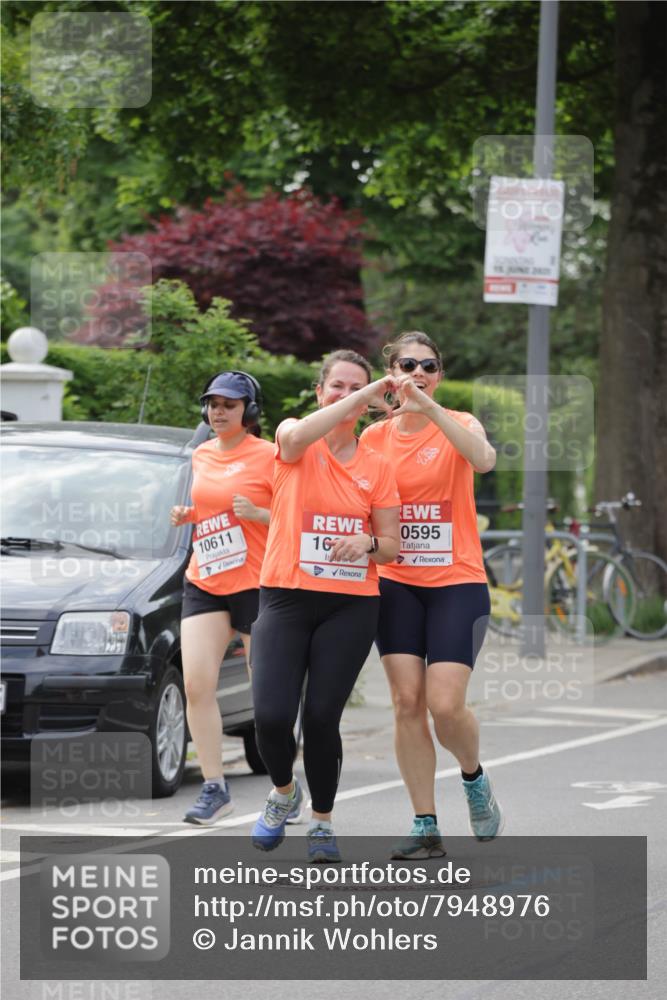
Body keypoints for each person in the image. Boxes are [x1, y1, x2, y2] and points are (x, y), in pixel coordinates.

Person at [250, 350, 401, 861]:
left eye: (355, 388)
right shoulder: (295, 438)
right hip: (286, 598)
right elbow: (292, 439)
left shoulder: (377, 465)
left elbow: (393, 545)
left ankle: (321, 821)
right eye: (336, 386)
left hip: (349, 606)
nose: (344, 395)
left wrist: (367, 545)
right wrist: (362, 394)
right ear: (320, 392)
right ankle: (284, 793)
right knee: (271, 717)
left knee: (320, 717)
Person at [360, 331, 502, 856]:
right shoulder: (374, 440)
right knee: (406, 702)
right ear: (391, 373)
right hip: (396, 584)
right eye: (408, 365)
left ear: (438, 375)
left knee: (445, 704)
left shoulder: (460, 423)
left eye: (429, 365)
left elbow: (483, 460)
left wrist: (430, 410)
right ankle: (425, 823)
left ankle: (473, 777)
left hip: (457, 585)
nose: (419, 372)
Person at [170, 371, 273, 825]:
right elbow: (212, 509)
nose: (218, 411)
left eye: (229, 404)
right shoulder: (201, 455)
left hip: (256, 583)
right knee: (196, 684)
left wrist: (261, 513)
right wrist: (188, 514)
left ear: (249, 412)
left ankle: (285, 784)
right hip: (206, 579)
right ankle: (215, 787)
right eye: (212, 403)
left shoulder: (271, 456)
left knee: (268, 694)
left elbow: (296, 517)